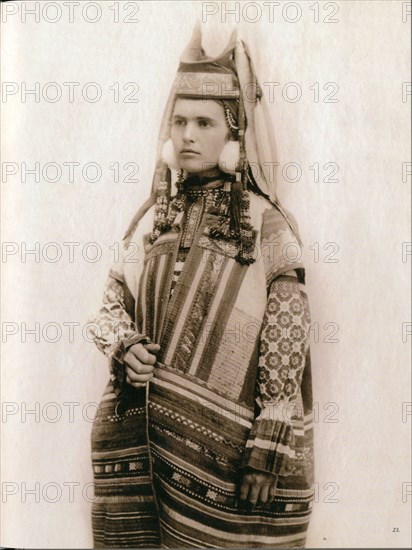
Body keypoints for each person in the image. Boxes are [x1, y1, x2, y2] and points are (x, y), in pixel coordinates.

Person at [89, 24, 315, 549]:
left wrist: (268, 444)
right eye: (180, 121)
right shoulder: (152, 218)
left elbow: (287, 335)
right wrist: (122, 345)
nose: (187, 134)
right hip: (142, 451)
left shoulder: (266, 225)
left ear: (234, 135)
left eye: (204, 123)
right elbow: (107, 308)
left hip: (232, 462)